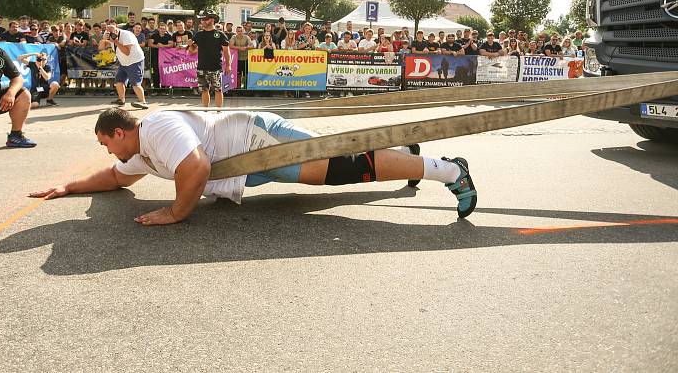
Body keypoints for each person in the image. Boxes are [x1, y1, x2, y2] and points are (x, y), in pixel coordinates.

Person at [28, 108, 478, 224]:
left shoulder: (158, 128)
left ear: (119, 131)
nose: (108, 153)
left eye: (106, 143)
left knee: (342, 160)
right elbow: (111, 178)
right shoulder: (139, 154)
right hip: (246, 168)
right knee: (341, 172)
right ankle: (412, 159)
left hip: (256, 137)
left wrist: (176, 212)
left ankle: (451, 170)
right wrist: (69, 187)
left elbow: (197, 166)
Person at [99, 23, 148, 109]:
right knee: (118, 81)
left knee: (135, 83)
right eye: (109, 33)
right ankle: (121, 100)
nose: (112, 35)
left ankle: (143, 102)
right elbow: (101, 48)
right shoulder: (107, 35)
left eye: (113, 32)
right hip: (123, 62)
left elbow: (127, 52)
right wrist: (103, 40)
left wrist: (116, 41)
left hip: (135, 61)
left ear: (116, 29)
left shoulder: (127, 35)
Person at [189, 11, 231, 108]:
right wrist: (190, 45)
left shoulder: (220, 34)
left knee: (218, 90)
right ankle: (205, 111)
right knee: (204, 90)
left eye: (205, 19)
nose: (202, 21)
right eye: (201, 19)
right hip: (202, 67)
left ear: (212, 20)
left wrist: (228, 65)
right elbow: (192, 51)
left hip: (216, 67)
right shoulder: (198, 34)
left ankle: (219, 112)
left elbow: (226, 51)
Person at [147, 22, 173, 89]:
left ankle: (164, 88)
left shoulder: (168, 36)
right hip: (155, 57)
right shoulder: (154, 36)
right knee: (156, 73)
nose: (162, 30)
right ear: (158, 29)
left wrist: (162, 46)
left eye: (164, 29)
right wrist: (157, 46)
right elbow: (150, 44)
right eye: (161, 29)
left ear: (165, 29)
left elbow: (171, 44)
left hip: (165, 58)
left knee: (165, 72)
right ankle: (156, 88)